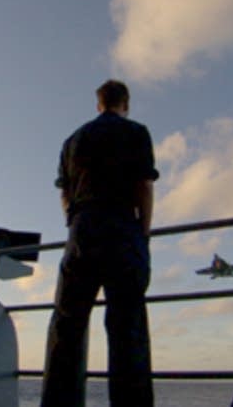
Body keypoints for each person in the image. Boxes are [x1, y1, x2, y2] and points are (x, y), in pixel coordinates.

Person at [41, 80, 159, 407]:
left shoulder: (73, 141)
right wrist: (143, 234)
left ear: (98, 104)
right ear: (126, 103)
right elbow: (145, 188)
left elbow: (64, 192)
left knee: (67, 327)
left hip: (82, 230)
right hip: (123, 231)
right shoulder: (137, 132)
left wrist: (74, 221)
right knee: (127, 329)